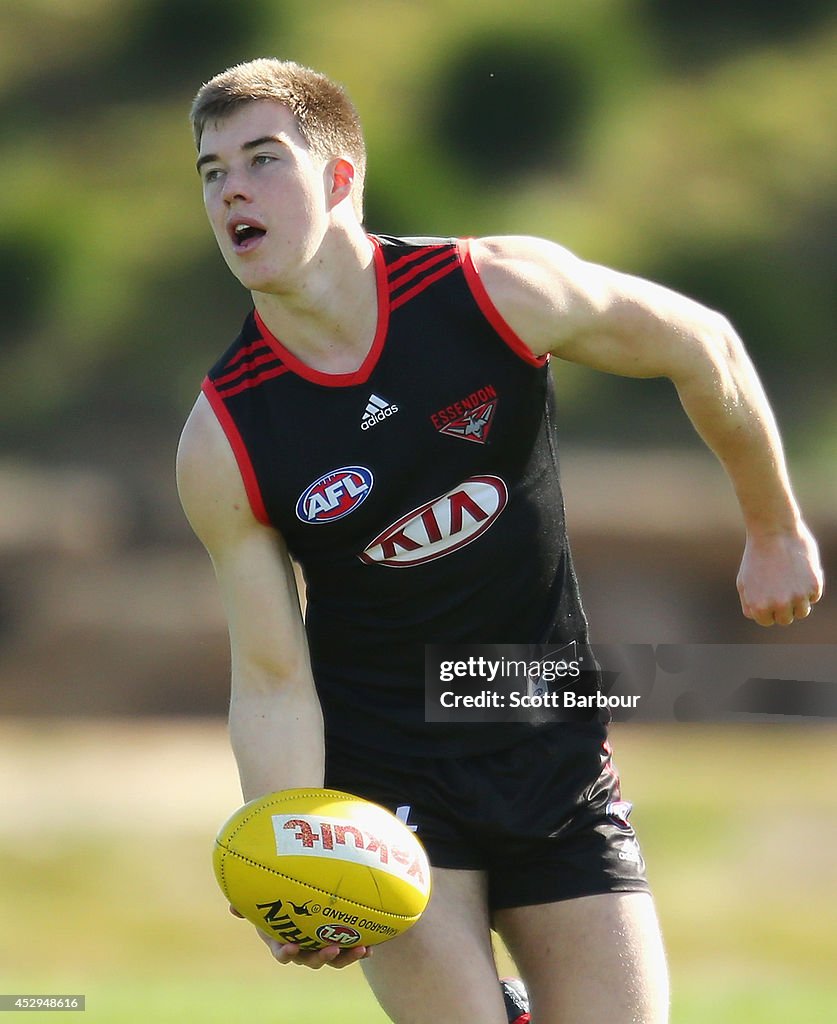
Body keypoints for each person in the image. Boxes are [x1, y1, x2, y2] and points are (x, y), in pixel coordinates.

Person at [176, 58, 824, 1024]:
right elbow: (273, 681)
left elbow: (703, 345)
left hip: (550, 742)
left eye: (263, 159)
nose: (232, 188)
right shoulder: (224, 437)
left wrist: (772, 525)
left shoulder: (491, 289)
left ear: (342, 178)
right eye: (211, 171)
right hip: (385, 781)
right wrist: (290, 852)